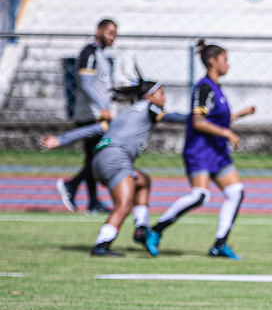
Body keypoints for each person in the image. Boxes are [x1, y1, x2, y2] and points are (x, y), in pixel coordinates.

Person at [41, 78, 188, 256]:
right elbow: (172, 117)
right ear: (149, 96)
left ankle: (141, 229)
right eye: (161, 93)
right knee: (123, 206)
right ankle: (101, 245)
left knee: (143, 181)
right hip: (116, 158)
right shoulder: (150, 107)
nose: (164, 98)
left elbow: (93, 129)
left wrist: (61, 140)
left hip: (99, 160)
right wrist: (198, 117)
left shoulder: (125, 114)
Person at [144, 40, 255, 260]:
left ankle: (219, 244)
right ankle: (155, 230)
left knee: (236, 192)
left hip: (217, 152)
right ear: (212, 61)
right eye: (225, 60)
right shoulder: (204, 87)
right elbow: (198, 121)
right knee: (200, 196)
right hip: (200, 151)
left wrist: (240, 114)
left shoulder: (217, 88)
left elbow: (217, 119)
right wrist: (228, 134)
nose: (228, 65)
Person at [56, 18, 117, 215]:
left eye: (115, 33)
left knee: (93, 157)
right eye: (110, 32)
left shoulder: (99, 54)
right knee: (97, 158)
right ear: (99, 30)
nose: (113, 37)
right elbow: (86, 84)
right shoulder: (89, 52)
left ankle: (92, 202)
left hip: (98, 114)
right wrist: (101, 108)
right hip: (90, 115)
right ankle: (71, 186)